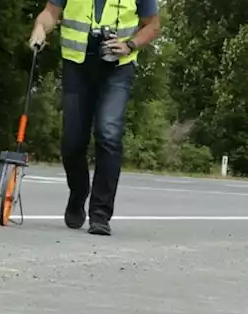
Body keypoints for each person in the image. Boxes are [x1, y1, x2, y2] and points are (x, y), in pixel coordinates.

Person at [29, 0, 161, 236]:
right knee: (72, 141)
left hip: (118, 68)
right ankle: (79, 192)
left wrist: (130, 45)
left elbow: (152, 25)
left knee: (108, 133)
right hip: (77, 66)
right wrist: (40, 28)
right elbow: (51, 13)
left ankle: (100, 214)